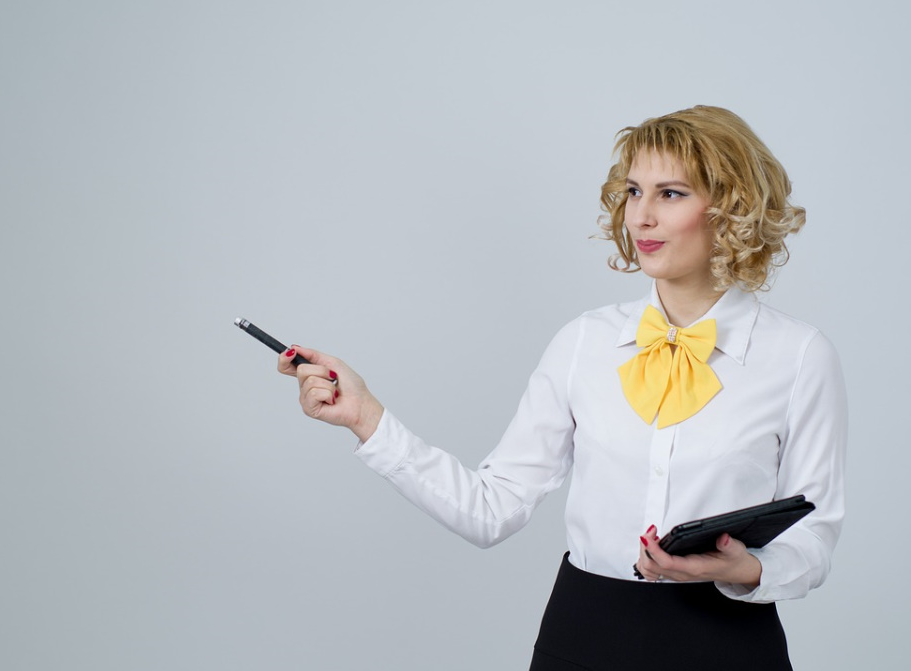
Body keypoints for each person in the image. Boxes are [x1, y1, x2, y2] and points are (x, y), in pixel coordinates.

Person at [277, 106, 846, 670]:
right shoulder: (584, 344)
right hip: (583, 637)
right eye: (632, 191)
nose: (640, 217)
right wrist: (365, 418)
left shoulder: (798, 357)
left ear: (731, 209)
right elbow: (490, 509)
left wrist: (744, 570)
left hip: (728, 645)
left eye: (670, 193)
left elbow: (814, 535)